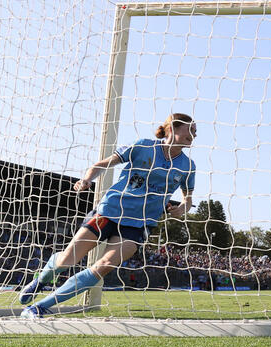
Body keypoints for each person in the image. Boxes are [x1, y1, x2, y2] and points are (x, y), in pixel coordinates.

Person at [19, 113, 197, 318]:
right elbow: (102, 164)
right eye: (190, 129)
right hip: (109, 210)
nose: (194, 134)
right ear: (173, 128)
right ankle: (41, 280)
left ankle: (39, 307)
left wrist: (180, 210)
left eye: (196, 132)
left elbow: (188, 201)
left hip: (139, 224)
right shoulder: (143, 146)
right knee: (67, 260)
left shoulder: (188, 167)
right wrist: (87, 180)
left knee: (102, 267)